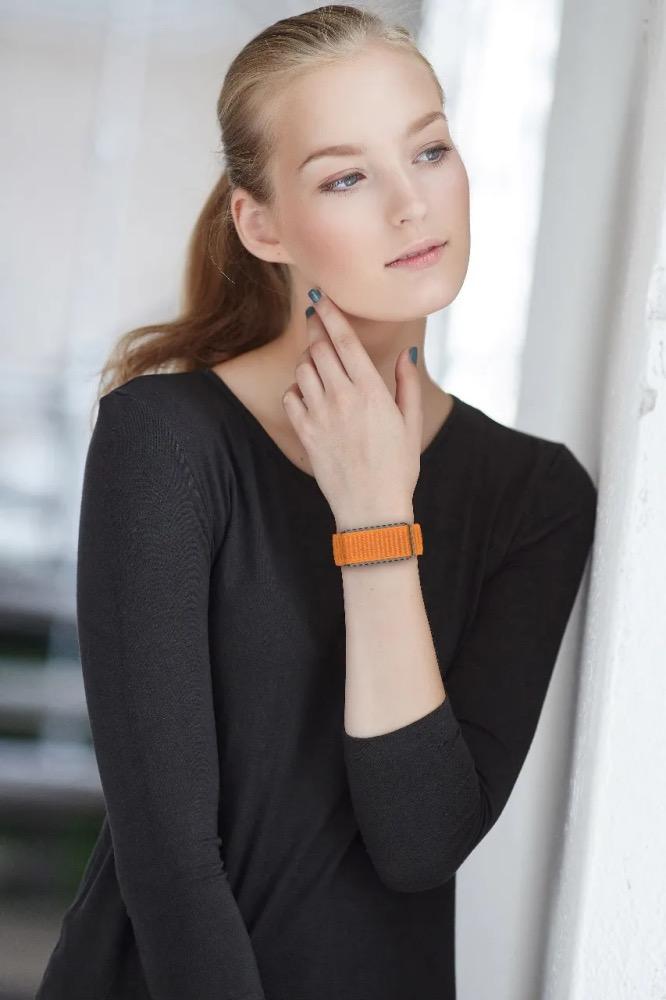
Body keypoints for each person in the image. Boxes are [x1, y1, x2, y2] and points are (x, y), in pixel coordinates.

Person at [36, 5, 598, 999]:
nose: (411, 205)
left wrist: (376, 520)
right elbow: (171, 868)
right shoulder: (164, 440)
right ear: (262, 225)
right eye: (347, 177)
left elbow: (419, 840)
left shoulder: (536, 495)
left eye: (429, 151)